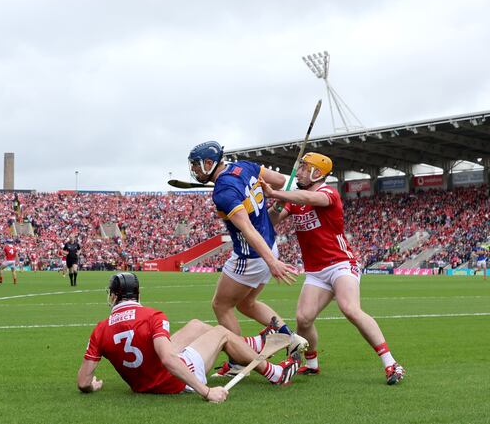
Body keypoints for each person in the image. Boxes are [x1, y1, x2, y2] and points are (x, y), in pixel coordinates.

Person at [262, 152, 405, 385]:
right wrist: (277, 202)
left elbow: (311, 199)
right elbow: (271, 221)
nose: (297, 172)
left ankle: (391, 363)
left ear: (316, 173)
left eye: (303, 168)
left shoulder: (328, 192)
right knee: (303, 318)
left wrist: (278, 192)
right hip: (316, 271)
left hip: (341, 264)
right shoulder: (294, 199)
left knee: (349, 308)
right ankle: (311, 364)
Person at [77, 273, 301, 402]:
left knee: (196, 325)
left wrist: (93, 386)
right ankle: (275, 374)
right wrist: (206, 391)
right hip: (175, 381)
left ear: (114, 296)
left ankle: (251, 344)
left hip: (145, 380)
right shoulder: (151, 315)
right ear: (137, 294)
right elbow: (167, 359)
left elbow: (83, 381)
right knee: (221, 332)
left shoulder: (100, 329)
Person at [186, 141, 306, 377]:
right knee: (246, 304)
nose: (195, 172)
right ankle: (291, 339)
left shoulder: (223, 191)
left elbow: (247, 229)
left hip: (251, 255)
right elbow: (282, 181)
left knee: (221, 305)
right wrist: (277, 198)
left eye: (197, 167)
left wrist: (272, 263)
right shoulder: (245, 166)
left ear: (209, 163)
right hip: (270, 245)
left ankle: (239, 360)